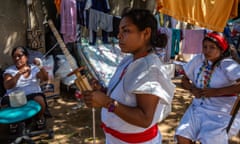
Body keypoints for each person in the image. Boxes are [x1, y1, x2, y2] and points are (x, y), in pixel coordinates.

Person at [83, 9, 175, 144]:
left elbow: (145, 119)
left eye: (126, 31)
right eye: (119, 31)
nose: (118, 36)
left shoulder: (150, 70)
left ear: (146, 33)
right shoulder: (129, 61)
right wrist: (102, 91)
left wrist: (106, 102)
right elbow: (124, 95)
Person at [175, 32, 240, 144]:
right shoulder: (198, 60)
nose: (207, 51)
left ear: (221, 49)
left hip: (220, 112)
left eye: (212, 47)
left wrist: (217, 92)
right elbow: (184, 80)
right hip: (197, 108)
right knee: (182, 136)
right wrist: (192, 89)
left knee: (210, 139)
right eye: (205, 47)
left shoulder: (228, 64)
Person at [1, 46, 49, 130]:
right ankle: (14, 122)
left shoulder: (34, 68)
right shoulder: (10, 71)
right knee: (7, 104)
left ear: (26, 57)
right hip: (15, 97)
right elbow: (7, 86)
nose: (17, 58)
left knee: (40, 100)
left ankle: (38, 118)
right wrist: (18, 74)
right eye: (14, 56)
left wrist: (40, 66)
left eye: (20, 56)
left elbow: (45, 78)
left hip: (32, 95)